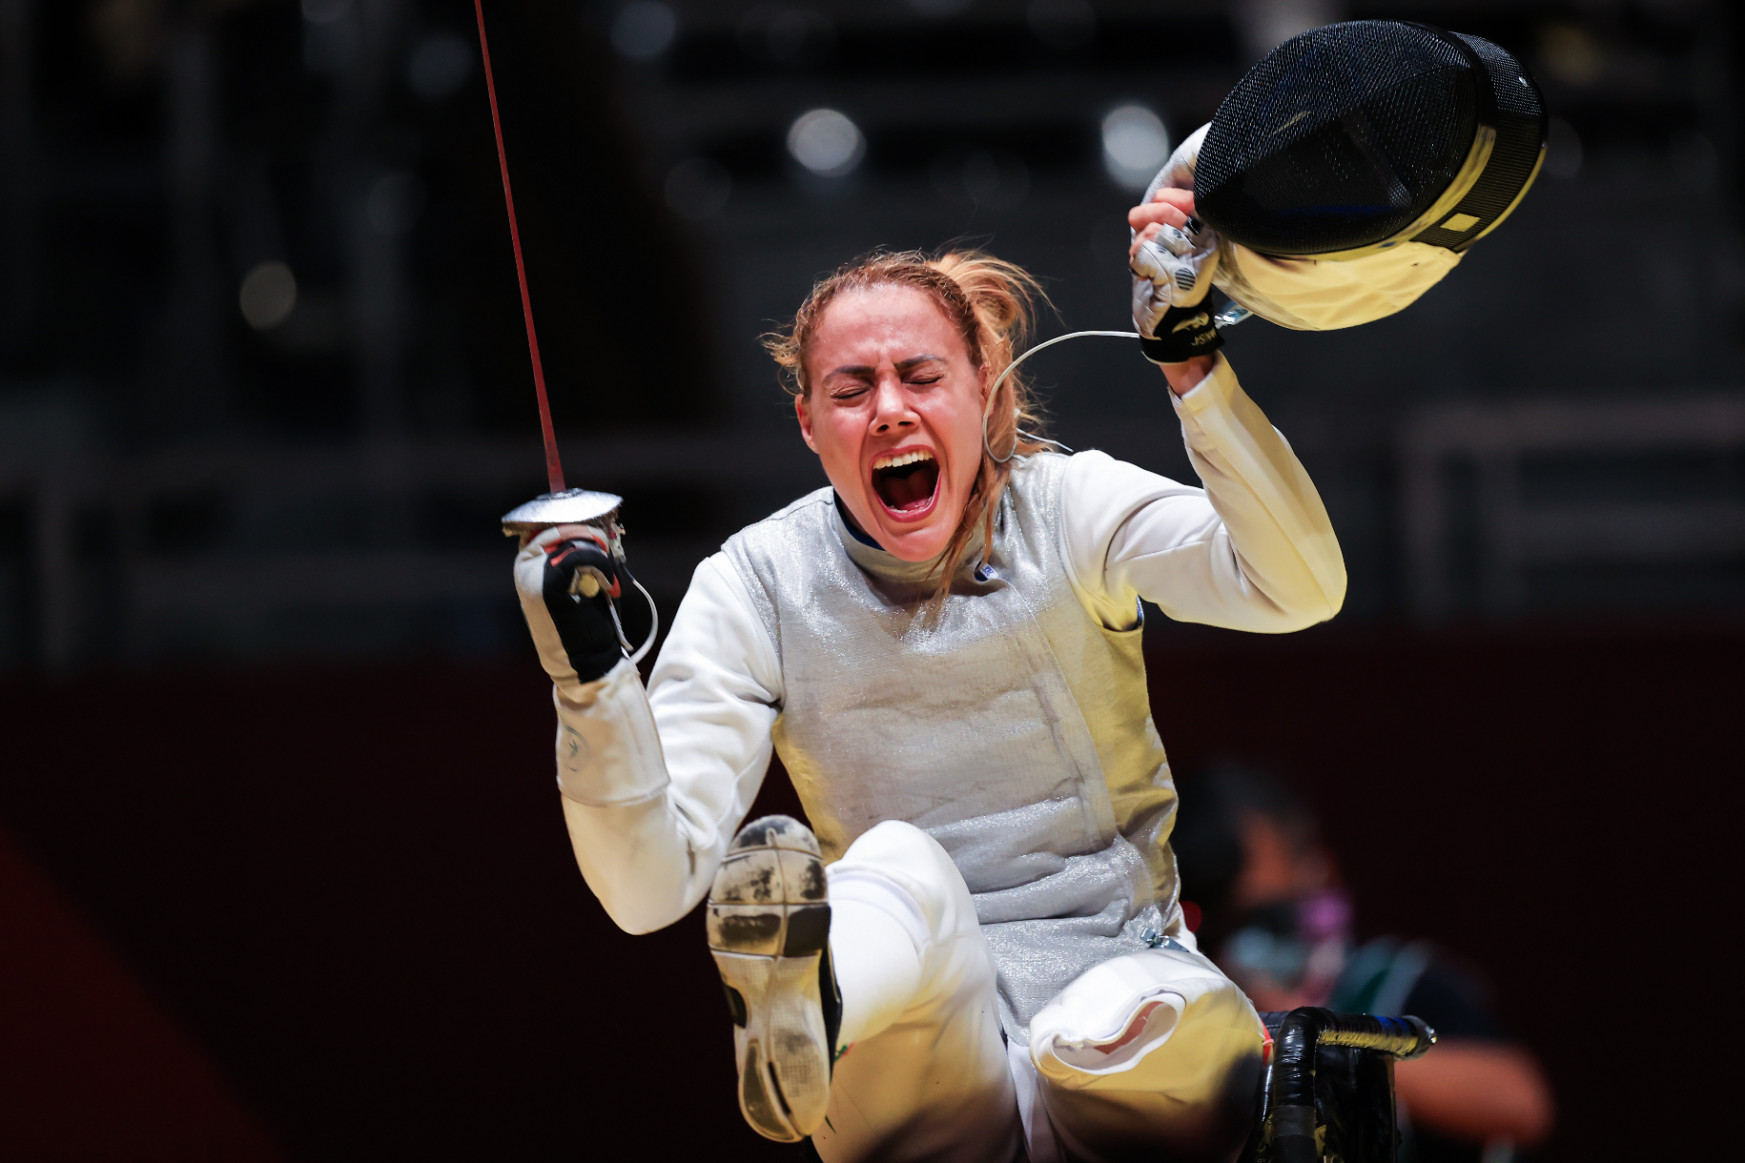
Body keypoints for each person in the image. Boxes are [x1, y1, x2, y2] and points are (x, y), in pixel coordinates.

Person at [511, 154, 1346, 1162]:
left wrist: (1192, 368)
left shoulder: (1067, 507)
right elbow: (647, 889)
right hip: (920, 1053)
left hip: (1122, 999)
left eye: (919, 376)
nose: (889, 409)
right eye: (850, 389)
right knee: (895, 866)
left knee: (1117, 1019)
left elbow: (1296, 587)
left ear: (981, 390)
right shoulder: (756, 582)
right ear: (808, 424)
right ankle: (814, 1000)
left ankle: (841, 994)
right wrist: (592, 682)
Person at [1171, 766, 1556, 1163]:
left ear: (1318, 868)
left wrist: (1317, 1036)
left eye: (1267, 919)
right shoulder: (1186, 1012)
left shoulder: (1394, 984)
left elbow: (1522, 1103)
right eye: (1232, 928)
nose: (1249, 948)